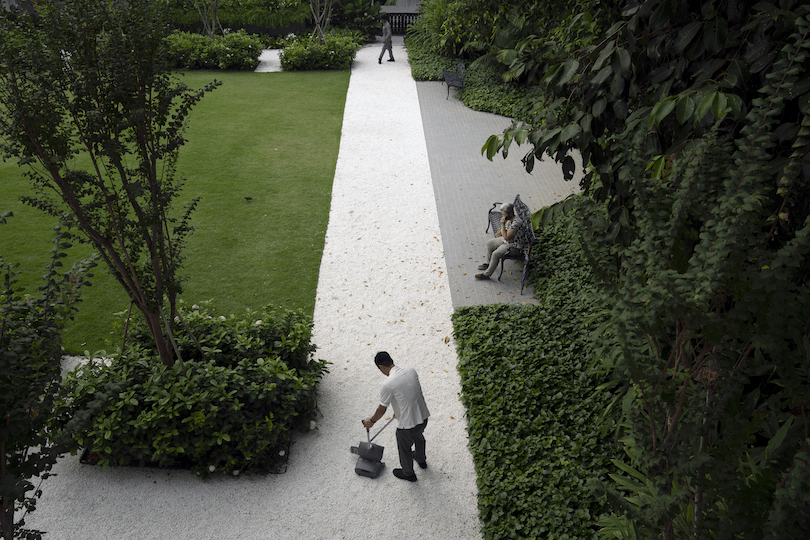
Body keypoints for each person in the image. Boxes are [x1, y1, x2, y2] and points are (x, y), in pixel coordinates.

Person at [363, 351, 429, 481]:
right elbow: (408, 392)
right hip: (423, 417)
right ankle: (421, 460)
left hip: (408, 425)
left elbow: (382, 410)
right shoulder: (411, 370)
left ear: (381, 367)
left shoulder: (388, 384)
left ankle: (408, 473)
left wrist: (371, 421)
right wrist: (399, 409)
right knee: (418, 437)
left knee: (404, 447)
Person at [475, 202, 524, 280]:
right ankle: (489, 263)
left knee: (495, 254)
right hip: (507, 241)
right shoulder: (509, 219)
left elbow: (507, 236)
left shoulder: (516, 223)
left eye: (504, 215)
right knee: (490, 243)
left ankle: (487, 274)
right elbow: (502, 235)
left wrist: (503, 227)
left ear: (510, 213)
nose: (503, 217)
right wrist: (504, 233)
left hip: (514, 246)